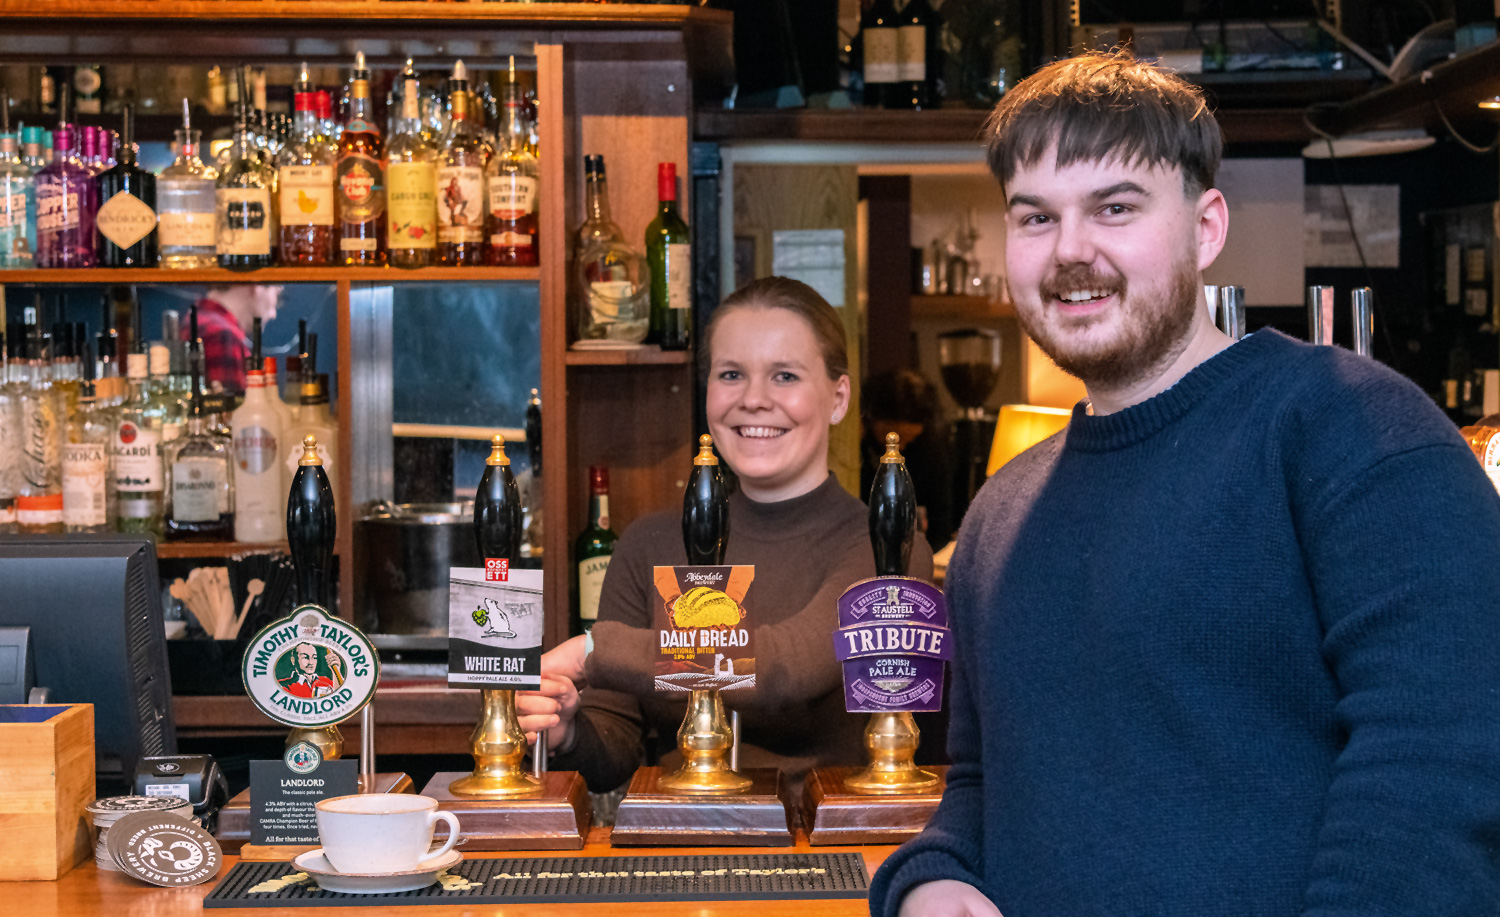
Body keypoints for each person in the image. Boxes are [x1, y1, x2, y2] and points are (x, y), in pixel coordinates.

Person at [870, 51, 1500, 917]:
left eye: (1115, 208)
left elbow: (1444, 766)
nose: (1072, 252)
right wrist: (931, 876)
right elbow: (983, 785)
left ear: (1207, 226)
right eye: (1036, 217)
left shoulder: (1350, 429)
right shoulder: (998, 515)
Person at [518, 276, 936, 797]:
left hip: (827, 858)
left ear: (837, 397)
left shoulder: (886, 549)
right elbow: (617, 748)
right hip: (681, 848)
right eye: (732, 374)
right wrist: (568, 732)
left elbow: (787, 666)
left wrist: (595, 651)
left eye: (785, 376)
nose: (754, 400)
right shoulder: (649, 543)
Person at [184, 284, 283, 394]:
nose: (273, 314)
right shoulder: (221, 334)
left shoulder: (197, 320)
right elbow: (232, 409)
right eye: (277, 293)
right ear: (257, 286)